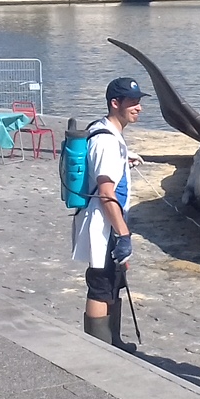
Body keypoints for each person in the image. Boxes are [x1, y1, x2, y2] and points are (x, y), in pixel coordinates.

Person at [72, 77, 147, 352]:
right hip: (104, 224)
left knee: (114, 281)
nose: (138, 108)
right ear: (115, 103)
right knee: (101, 284)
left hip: (110, 222)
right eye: (132, 103)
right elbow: (106, 192)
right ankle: (99, 349)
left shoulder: (107, 132)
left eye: (139, 102)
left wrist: (125, 159)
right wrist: (123, 233)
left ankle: (112, 342)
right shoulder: (106, 141)